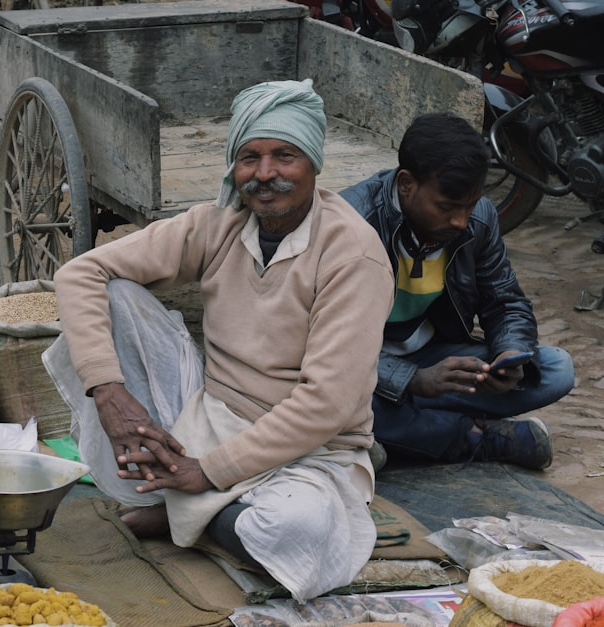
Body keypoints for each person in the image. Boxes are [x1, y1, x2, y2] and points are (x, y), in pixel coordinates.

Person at [42, 78, 396, 602]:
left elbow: (325, 405)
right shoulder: (221, 223)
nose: (265, 174)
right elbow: (79, 275)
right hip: (208, 412)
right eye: (249, 157)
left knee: (293, 533)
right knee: (112, 294)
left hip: (304, 448)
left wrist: (206, 472)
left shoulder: (353, 256)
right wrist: (110, 394)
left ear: (314, 163)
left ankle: (187, 516)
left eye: (285, 155)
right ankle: (201, 512)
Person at [339, 112, 575, 471]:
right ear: (406, 184)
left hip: (431, 359)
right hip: (357, 368)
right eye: (448, 207)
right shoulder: (350, 223)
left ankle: (386, 432)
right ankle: (472, 437)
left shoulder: (478, 217)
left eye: (469, 205)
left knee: (555, 369)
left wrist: (510, 354)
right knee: (327, 398)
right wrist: (412, 381)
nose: (461, 221)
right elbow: (325, 345)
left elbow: (505, 300)